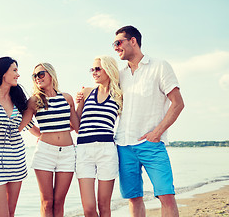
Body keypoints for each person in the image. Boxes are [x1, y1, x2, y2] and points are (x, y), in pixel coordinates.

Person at [113, 25, 184, 217]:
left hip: (151, 144)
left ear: (133, 41)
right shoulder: (120, 75)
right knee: (134, 198)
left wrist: (157, 132)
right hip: (123, 145)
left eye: (118, 43)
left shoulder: (160, 66)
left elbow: (177, 104)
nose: (115, 48)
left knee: (166, 196)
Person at [0, 56, 36, 217]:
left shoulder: (18, 100)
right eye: (14, 70)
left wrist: (62, 133)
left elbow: (30, 126)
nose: (18, 74)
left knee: (10, 214)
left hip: (17, 160)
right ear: (3, 73)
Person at [19, 63, 80, 217]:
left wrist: (82, 103)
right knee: (47, 202)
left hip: (67, 154)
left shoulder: (67, 98)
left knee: (59, 202)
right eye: (34, 76)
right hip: (45, 153)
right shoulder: (34, 100)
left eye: (40, 74)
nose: (37, 78)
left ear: (51, 74)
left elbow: (78, 127)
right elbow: (22, 124)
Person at [75, 55, 122, 217]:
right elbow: (76, 123)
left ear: (108, 70)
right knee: (88, 208)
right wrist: (73, 103)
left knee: (104, 206)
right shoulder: (86, 92)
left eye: (97, 68)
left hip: (106, 151)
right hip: (84, 150)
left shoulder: (119, 95)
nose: (93, 72)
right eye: (92, 69)